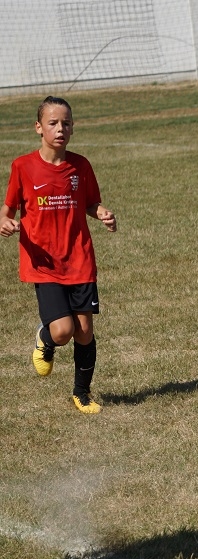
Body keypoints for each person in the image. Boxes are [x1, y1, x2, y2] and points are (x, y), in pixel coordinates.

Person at [1, 96, 117, 414]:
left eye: (66, 123)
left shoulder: (80, 166)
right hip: (43, 263)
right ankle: (46, 337)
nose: (60, 129)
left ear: (73, 127)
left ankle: (82, 393)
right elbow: (7, 209)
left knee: (84, 331)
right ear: (38, 128)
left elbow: (90, 202)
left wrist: (102, 212)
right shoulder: (23, 167)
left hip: (79, 259)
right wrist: (5, 222)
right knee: (63, 331)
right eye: (52, 123)